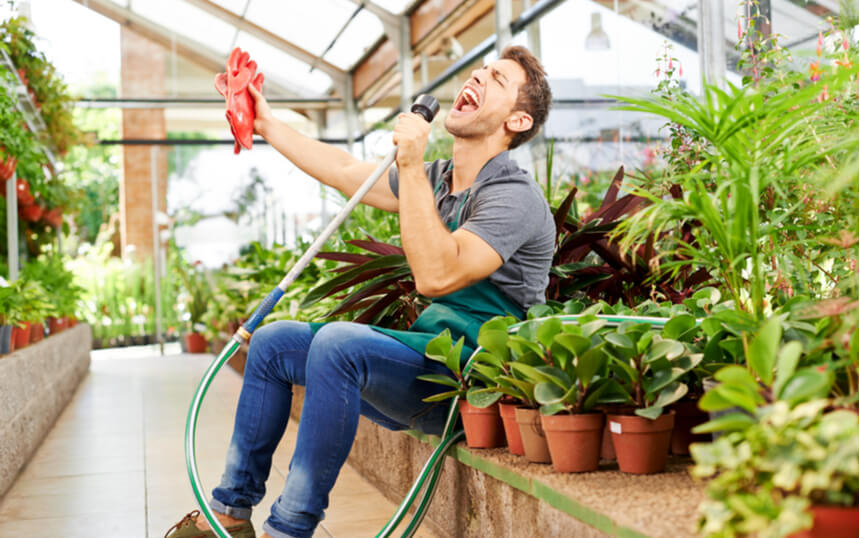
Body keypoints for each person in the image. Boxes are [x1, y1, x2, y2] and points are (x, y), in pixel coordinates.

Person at [166, 45, 554, 538]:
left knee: (337, 345)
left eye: (496, 79)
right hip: (431, 356)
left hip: (471, 384)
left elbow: (437, 276)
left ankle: (289, 529)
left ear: (518, 121)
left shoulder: (514, 196)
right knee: (272, 341)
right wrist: (267, 124)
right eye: (479, 70)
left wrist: (412, 168)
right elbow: (350, 173)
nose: (477, 77)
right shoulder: (439, 181)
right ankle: (230, 512)